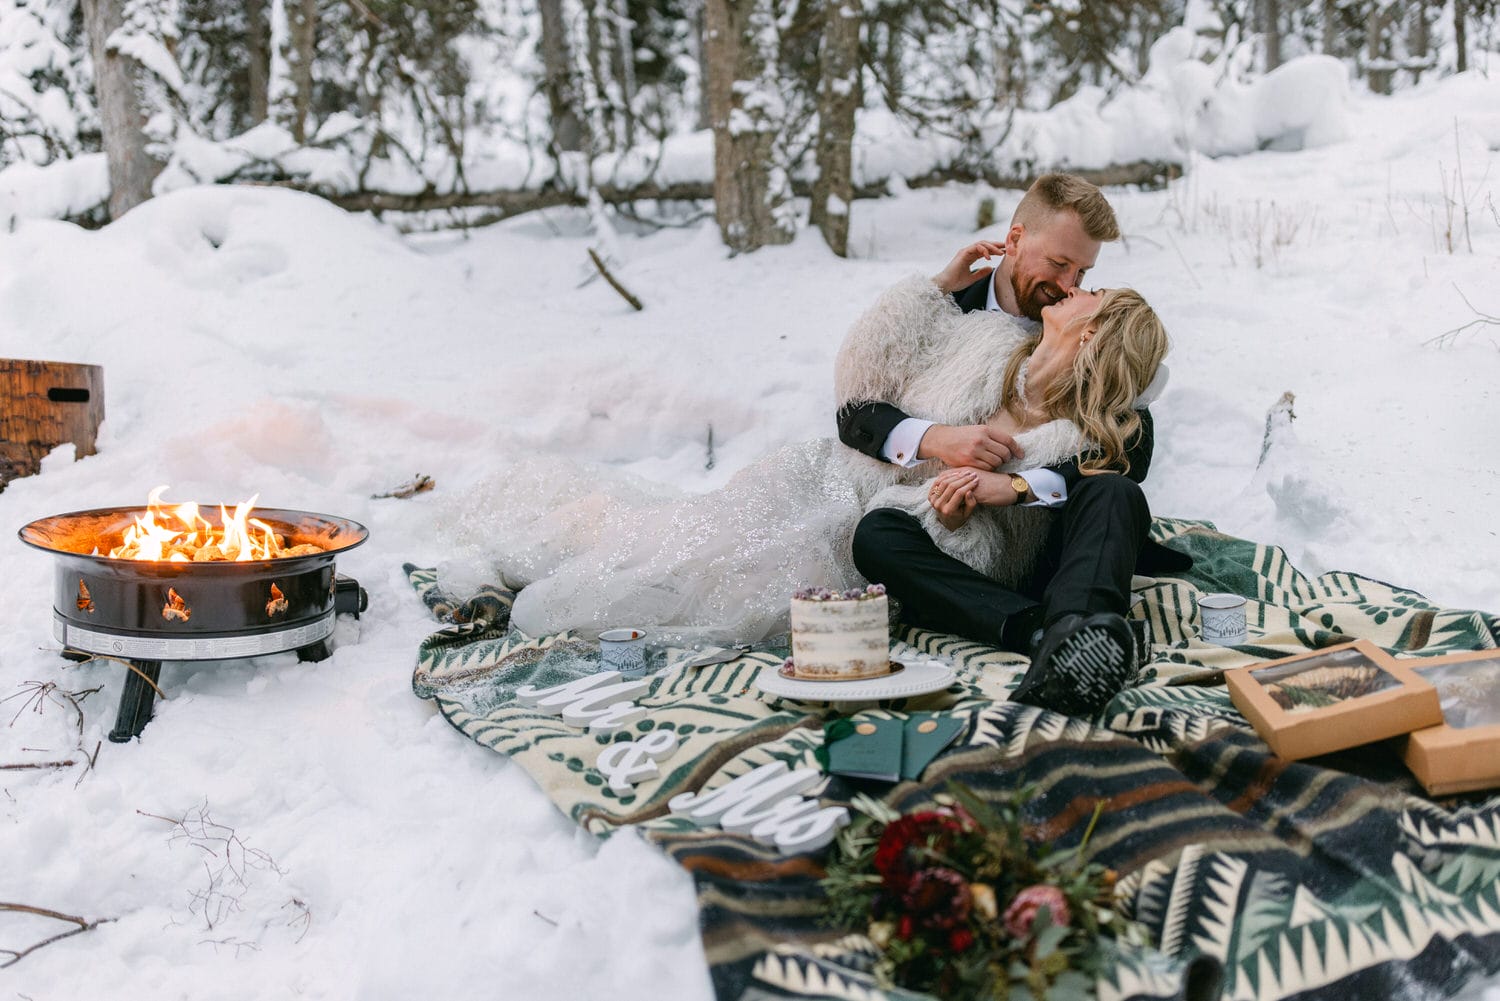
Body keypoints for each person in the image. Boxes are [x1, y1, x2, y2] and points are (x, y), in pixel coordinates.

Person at [839, 173, 1190, 717]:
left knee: (1116, 494)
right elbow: (857, 409)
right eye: (1059, 264)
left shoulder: (1099, 331)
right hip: (941, 519)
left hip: (1042, 536)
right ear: (1016, 238)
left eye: (1084, 272)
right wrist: (934, 439)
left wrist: (1019, 486)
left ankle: (1078, 628)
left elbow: (1129, 453)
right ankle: (1043, 635)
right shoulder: (945, 310)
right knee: (877, 537)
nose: (1069, 283)